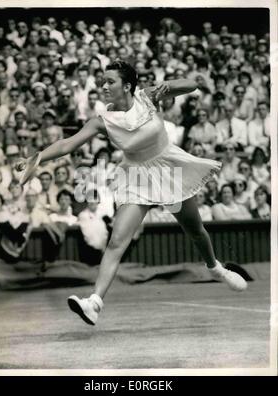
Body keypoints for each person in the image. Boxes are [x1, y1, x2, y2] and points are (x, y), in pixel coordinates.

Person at [16, 60, 247, 326]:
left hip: (169, 169)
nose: (103, 86)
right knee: (117, 241)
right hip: (136, 178)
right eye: (102, 81)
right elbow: (67, 144)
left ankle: (215, 268)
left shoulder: (147, 97)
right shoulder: (101, 121)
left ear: (127, 86)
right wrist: (36, 158)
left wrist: (171, 85)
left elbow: (192, 85)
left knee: (195, 231)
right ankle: (94, 303)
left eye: (110, 81)